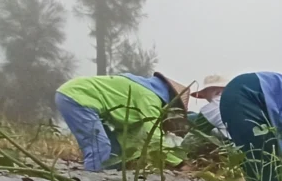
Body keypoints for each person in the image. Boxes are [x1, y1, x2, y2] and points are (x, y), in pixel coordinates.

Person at [54, 72, 190, 172]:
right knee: (99, 147)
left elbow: (129, 141)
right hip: (77, 97)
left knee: (115, 152)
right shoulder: (150, 97)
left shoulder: (142, 97)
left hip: (76, 97)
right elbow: (153, 137)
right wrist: (180, 164)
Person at [189, 74, 230, 140]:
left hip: (234, 143)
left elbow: (193, 136)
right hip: (250, 139)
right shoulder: (242, 99)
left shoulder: (208, 109)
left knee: (212, 132)